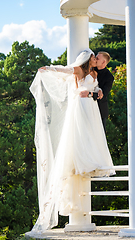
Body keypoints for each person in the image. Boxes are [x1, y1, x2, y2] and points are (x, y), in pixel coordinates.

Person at [29, 48, 115, 233]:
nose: (95, 59)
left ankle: (92, 160)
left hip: (91, 107)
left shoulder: (95, 72)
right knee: (78, 134)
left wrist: (97, 91)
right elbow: (64, 70)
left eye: (96, 58)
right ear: (88, 59)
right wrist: (49, 68)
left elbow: (99, 89)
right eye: (93, 57)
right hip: (80, 106)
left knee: (91, 135)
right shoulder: (79, 70)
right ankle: (80, 161)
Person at [79, 52, 114, 132]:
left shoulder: (109, 77)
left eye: (97, 58)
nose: (95, 59)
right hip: (86, 107)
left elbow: (103, 94)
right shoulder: (90, 69)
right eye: (95, 58)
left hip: (100, 110)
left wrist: (89, 94)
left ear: (103, 62)